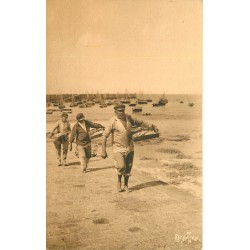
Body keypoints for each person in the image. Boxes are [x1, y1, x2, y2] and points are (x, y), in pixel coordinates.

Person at [101, 104, 159, 192]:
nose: (121, 112)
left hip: (129, 147)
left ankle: (126, 185)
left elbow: (140, 122)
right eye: (119, 111)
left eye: (123, 110)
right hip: (118, 148)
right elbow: (104, 136)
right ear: (115, 112)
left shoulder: (129, 118)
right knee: (121, 166)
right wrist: (103, 151)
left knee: (128, 167)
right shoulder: (112, 121)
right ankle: (119, 180)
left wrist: (152, 126)